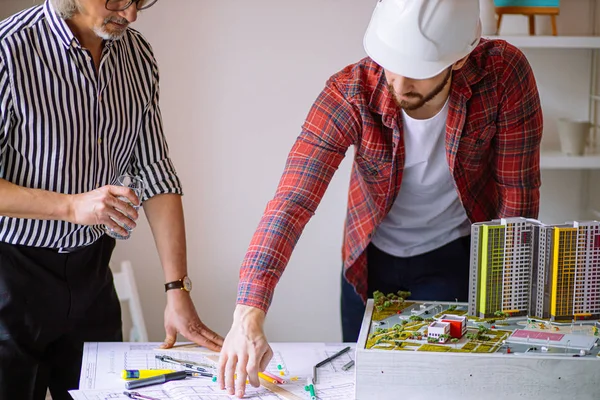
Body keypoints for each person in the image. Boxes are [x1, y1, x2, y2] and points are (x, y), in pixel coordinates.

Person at [218, 0, 543, 396]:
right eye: (393, 64)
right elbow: (292, 200)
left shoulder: (503, 74)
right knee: (366, 385)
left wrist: (505, 303)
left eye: (419, 73)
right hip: (368, 262)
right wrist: (247, 313)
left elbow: (518, 196)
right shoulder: (351, 91)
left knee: (443, 386)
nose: (401, 85)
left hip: (456, 256)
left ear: (459, 59)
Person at [0, 0, 223, 398]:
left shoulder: (137, 55)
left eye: (140, 0)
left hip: (93, 274)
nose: (131, 14)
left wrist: (177, 291)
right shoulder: (8, 50)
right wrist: (70, 206)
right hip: (11, 279)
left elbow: (155, 170)